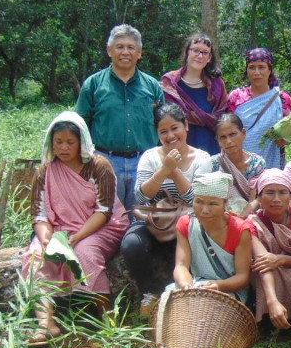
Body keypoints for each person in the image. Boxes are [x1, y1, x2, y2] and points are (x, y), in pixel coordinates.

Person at [22, 111, 128, 346]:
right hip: (59, 228)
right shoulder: (45, 171)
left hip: (101, 227)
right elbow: (39, 215)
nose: (64, 148)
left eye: (70, 142)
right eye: (58, 142)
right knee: (36, 255)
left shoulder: (99, 166)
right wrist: (47, 239)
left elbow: (104, 210)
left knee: (85, 253)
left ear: (81, 142)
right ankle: (46, 324)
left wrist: (77, 236)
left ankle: (106, 313)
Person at [120, 103, 212, 294]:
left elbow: (197, 200)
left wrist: (175, 171)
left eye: (174, 128)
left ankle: (192, 292)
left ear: (186, 125)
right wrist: (163, 170)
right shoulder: (150, 157)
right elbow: (141, 196)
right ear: (157, 134)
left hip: (188, 222)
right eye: (163, 131)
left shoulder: (202, 159)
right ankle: (149, 293)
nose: (170, 136)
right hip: (153, 220)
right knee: (131, 245)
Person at [76, 24, 164, 211]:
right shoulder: (93, 84)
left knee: (141, 218)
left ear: (139, 53)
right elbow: (81, 126)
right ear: (109, 50)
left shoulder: (152, 86)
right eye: (120, 47)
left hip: (144, 163)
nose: (125, 52)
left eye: (131, 47)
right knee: (106, 217)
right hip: (105, 161)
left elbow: (162, 125)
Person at [167, 172, 254, 304]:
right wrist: (186, 285)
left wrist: (219, 286)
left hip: (229, 290)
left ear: (225, 204)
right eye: (199, 202)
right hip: (197, 286)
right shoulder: (186, 224)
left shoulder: (240, 230)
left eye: (213, 204)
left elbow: (243, 277)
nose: (205, 210)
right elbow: (181, 265)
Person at [246, 169, 291, 329]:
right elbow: (263, 263)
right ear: (259, 198)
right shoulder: (252, 223)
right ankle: (271, 314)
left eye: (283, 192)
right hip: (268, 274)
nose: (276, 199)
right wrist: (272, 301)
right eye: (269, 192)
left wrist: (280, 259)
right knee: (260, 271)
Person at [160, 33, 228, 155]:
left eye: (205, 52)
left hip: (210, 151)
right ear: (187, 52)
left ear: (209, 58)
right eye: (195, 50)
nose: (199, 56)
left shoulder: (217, 85)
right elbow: (163, 120)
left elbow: (222, 119)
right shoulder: (169, 84)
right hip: (176, 152)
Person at [227, 48, 291, 170]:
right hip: (239, 162)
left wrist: (285, 140)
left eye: (261, 67)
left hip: (271, 161)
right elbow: (226, 129)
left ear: (270, 70)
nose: (256, 72)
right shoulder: (236, 97)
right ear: (246, 70)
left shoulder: (282, 99)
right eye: (252, 67)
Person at [211, 114, 265, 216]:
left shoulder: (256, 164)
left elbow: (257, 199)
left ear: (243, 133)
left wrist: (240, 220)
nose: (229, 141)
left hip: (250, 217)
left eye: (233, 134)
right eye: (223, 137)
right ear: (218, 140)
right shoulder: (214, 164)